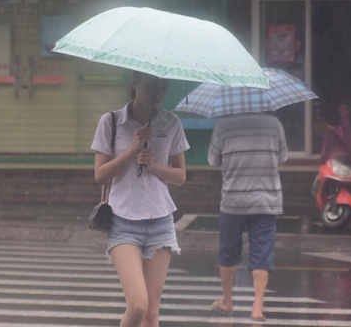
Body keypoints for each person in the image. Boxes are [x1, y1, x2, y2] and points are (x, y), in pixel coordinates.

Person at [91, 71, 190, 327]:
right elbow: (100, 175)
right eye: (150, 86)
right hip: (123, 222)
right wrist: (133, 149)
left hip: (161, 222)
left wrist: (155, 165)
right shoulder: (111, 122)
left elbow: (180, 176)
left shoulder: (171, 122)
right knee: (138, 305)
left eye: (163, 88)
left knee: (152, 313)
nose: (158, 93)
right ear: (134, 83)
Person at [208, 112, 287, 322]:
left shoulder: (223, 126)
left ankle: (226, 301)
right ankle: (257, 307)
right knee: (262, 253)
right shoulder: (274, 124)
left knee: (228, 250)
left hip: (233, 200)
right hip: (266, 200)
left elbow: (212, 161)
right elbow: (283, 158)